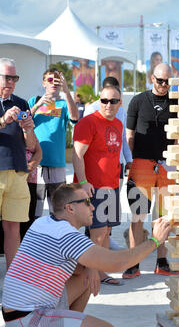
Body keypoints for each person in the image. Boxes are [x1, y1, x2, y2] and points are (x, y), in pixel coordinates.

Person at [1, 183, 171, 327]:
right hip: (28, 319)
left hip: (18, 311)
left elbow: (75, 264)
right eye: (87, 202)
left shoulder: (46, 223)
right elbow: (120, 262)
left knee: (86, 277)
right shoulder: (66, 236)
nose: (93, 207)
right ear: (70, 208)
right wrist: (155, 240)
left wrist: (91, 266)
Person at [123, 63, 178, 279]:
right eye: (160, 80)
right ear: (151, 78)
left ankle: (162, 261)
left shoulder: (176, 102)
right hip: (142, 164)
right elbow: (129, 135)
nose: (164, 85)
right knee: (138, 215)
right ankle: (133, 262)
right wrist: (133, 160)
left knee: (164, 215)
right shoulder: (138, 101)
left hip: (167, 164)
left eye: (168, 81)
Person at [72, 85, 123, 286]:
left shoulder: (118, 124)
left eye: (112, 101)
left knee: (107, 231)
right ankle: (93, 274)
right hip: (93, 187)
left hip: (111, 185)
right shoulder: (88, 122)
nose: (108, 105)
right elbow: (77, 155)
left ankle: (98, 271)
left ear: (120, 103)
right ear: (98, 101)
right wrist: (83, 183)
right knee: (97, 232)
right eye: (104, 101)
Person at [0, 57, 37, 269]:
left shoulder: (22, 103)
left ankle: (13, 282)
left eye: (15, 77)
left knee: (14, 228)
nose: (11, 82)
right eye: (7, 77)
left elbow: (30, 145)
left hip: (17, 173)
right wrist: (3, 120)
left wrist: (27, 128)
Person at [28, 69, 79, 217]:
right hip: (36, 164)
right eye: (50, 80)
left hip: (57, 165)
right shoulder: (34, 100)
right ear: (44, 83)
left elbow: (75, 118)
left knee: (58, 212)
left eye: (57, 80)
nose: (54, 83)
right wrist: (38, 105)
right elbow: (22, 120)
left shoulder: (63, 103)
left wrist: (67, 92)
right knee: (34, 211)